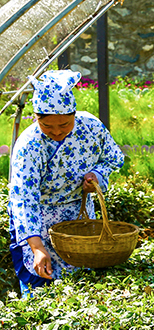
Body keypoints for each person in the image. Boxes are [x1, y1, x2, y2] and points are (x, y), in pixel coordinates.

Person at [7, 70, 125, 297]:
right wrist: (37, 247)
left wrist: (96, 176)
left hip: (77, 215)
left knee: (80, 283)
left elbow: (113, 157)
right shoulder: (29, 145)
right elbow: (24, 199)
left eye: (64, 124)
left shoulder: (90, 127)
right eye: (47, 126)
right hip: (37, 221)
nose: (57, 132)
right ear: (36, 117)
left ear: (74, 114)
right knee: (40, 282)